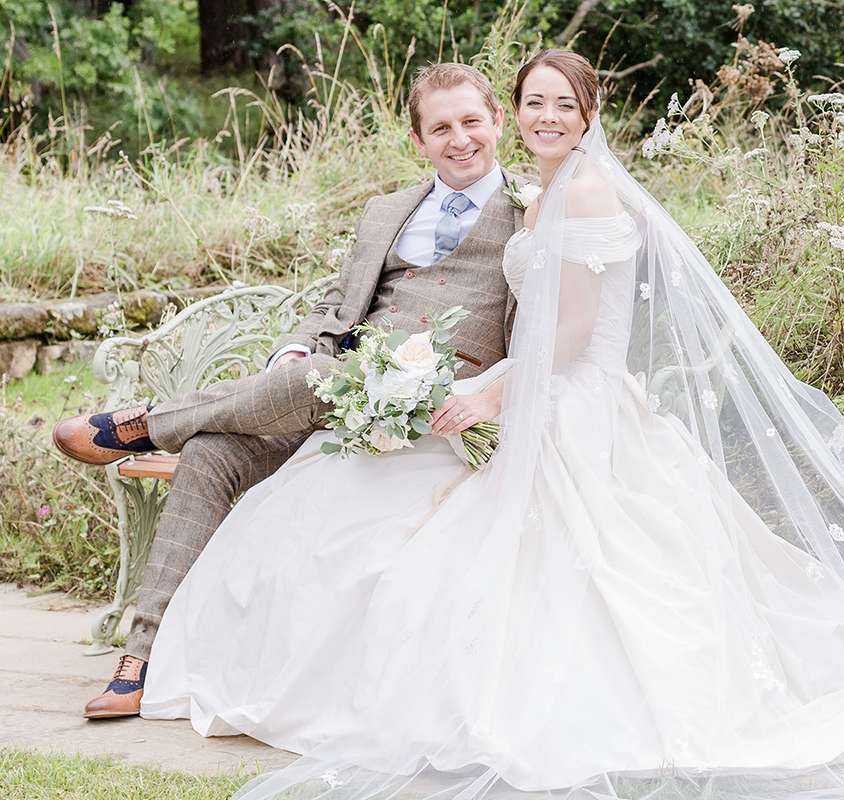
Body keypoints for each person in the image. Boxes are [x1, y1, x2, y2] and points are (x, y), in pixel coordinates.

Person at [143, 51, 844, 800]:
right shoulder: (545, 192)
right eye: (535, 102)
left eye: (564, 104)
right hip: (551, 393)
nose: (547, 116)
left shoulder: (589, 190)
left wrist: (490, 393)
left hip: (570, 401)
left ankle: (149, 429)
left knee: (577, 569)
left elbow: (567, 334)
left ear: (588, 115)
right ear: (514, 112)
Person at [51, 62, 525, 719]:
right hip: (328, 389)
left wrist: (485, 393)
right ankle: (144, 657)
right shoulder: (385, 211)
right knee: (214, 453)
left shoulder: (531, 215)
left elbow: (544, 335)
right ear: (418, 140)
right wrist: (294, 351)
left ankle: (146, 424)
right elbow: (336, 310)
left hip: (435, 403)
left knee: (307, 382)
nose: (460, 138)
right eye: (441, 127)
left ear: (498, 121)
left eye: (473, 121)